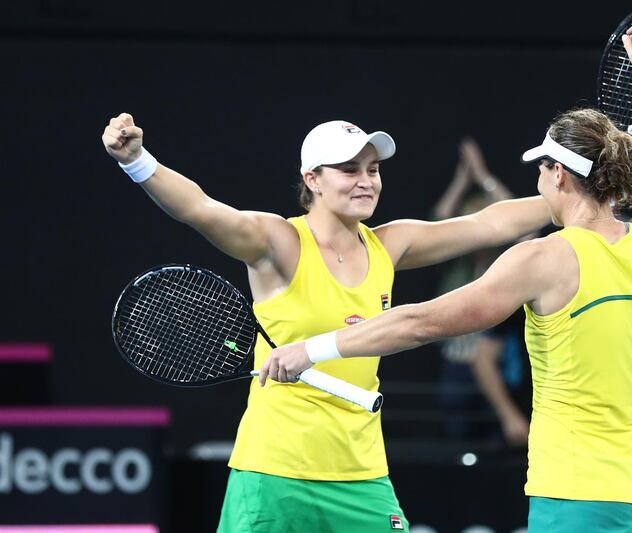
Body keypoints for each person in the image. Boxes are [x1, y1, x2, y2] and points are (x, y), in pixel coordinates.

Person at [265, 24, 632, 532]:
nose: (539, 181)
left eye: (541, 171)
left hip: (573, 498)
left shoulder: (545, 258)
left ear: (558, 175)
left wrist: (312, 349)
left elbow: (424, 321)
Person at [102, 114, 555, 531]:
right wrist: (137, 161)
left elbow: (488, 224)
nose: (366, 182)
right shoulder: (276, 242)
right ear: (312, 179)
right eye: (349, 170)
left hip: (361, 474)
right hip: (275, 470)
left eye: (372, 170)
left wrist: (577, 196)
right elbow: (199, 209)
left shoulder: (390, 245)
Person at [433, 138, 530, 446]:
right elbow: (439, 218)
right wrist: (463, 180)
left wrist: (484, 176)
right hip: (457, 364)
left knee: (498, 439)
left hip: (498, 363)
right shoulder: (454, 262)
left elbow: (525, 226)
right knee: (456, 440)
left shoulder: (504, 259)